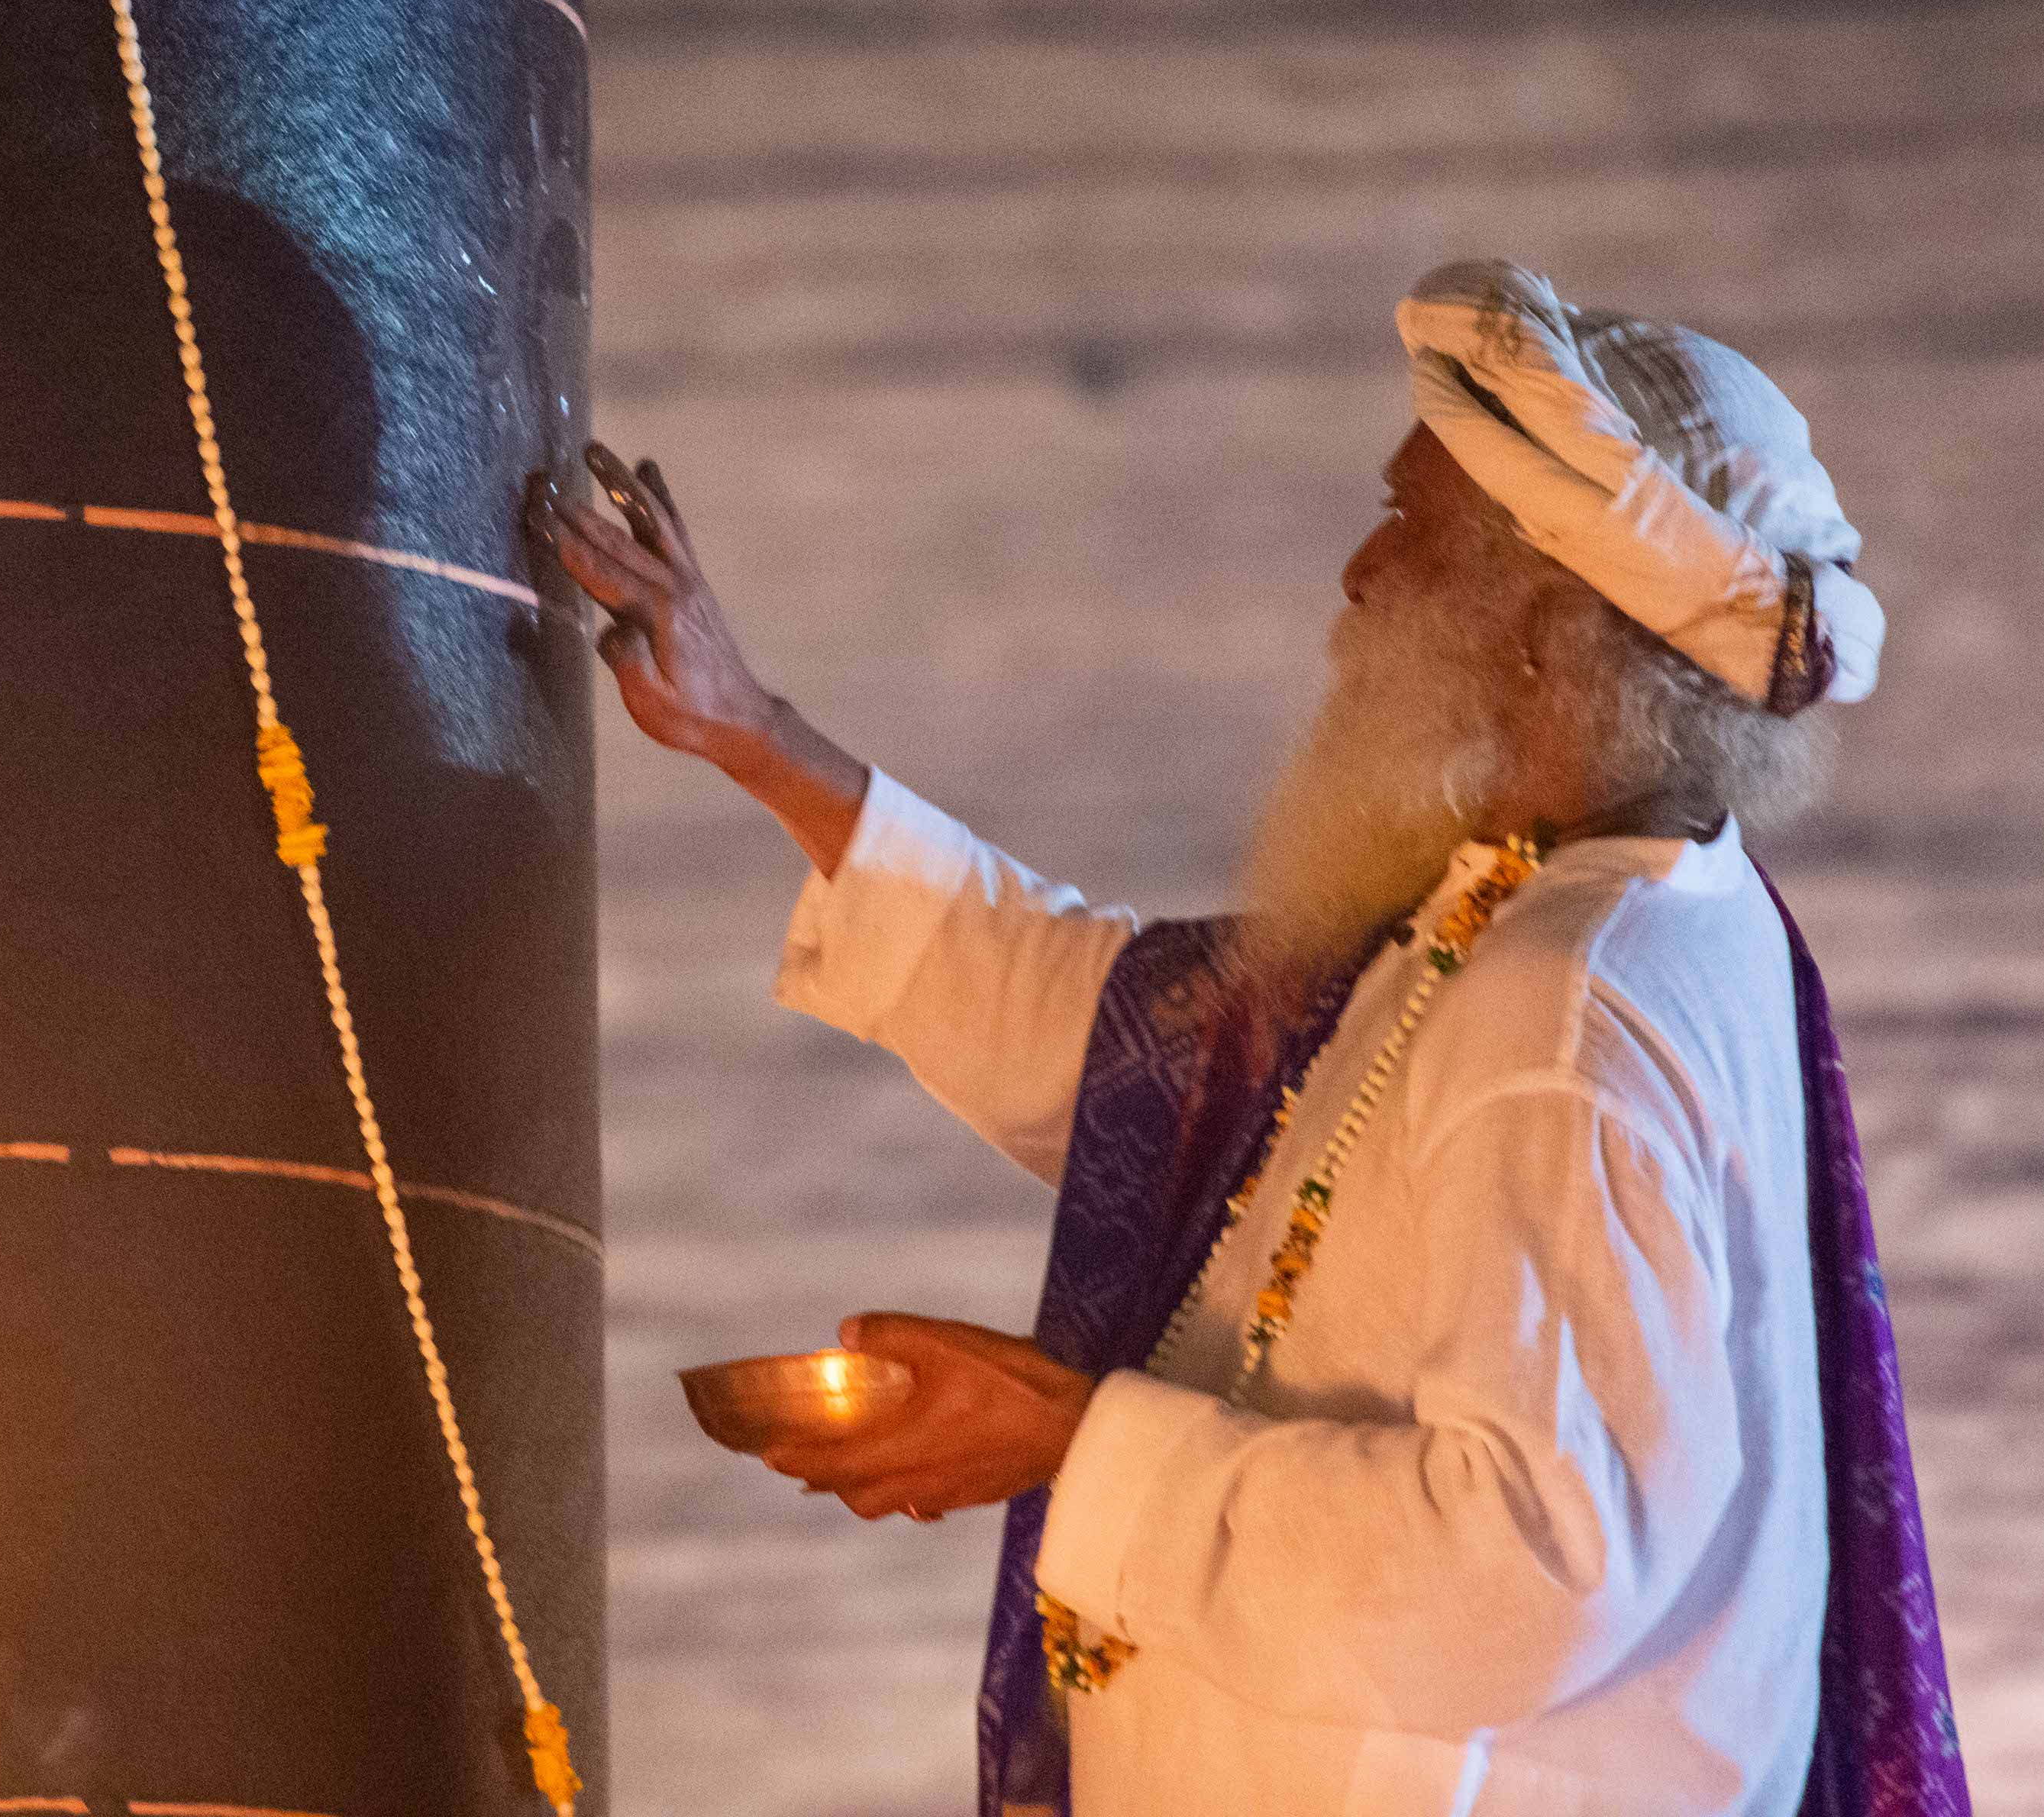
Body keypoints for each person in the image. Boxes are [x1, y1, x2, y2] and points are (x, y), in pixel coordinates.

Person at [531, 260, 1965, 1817]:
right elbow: (1158, 1067)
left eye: (1411, 531)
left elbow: (1532, 1569)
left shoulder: (1565, 1013)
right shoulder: (1569, 917)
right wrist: (757, 735)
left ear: (1550, 637)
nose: (1357, 573)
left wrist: (1075, 1442)